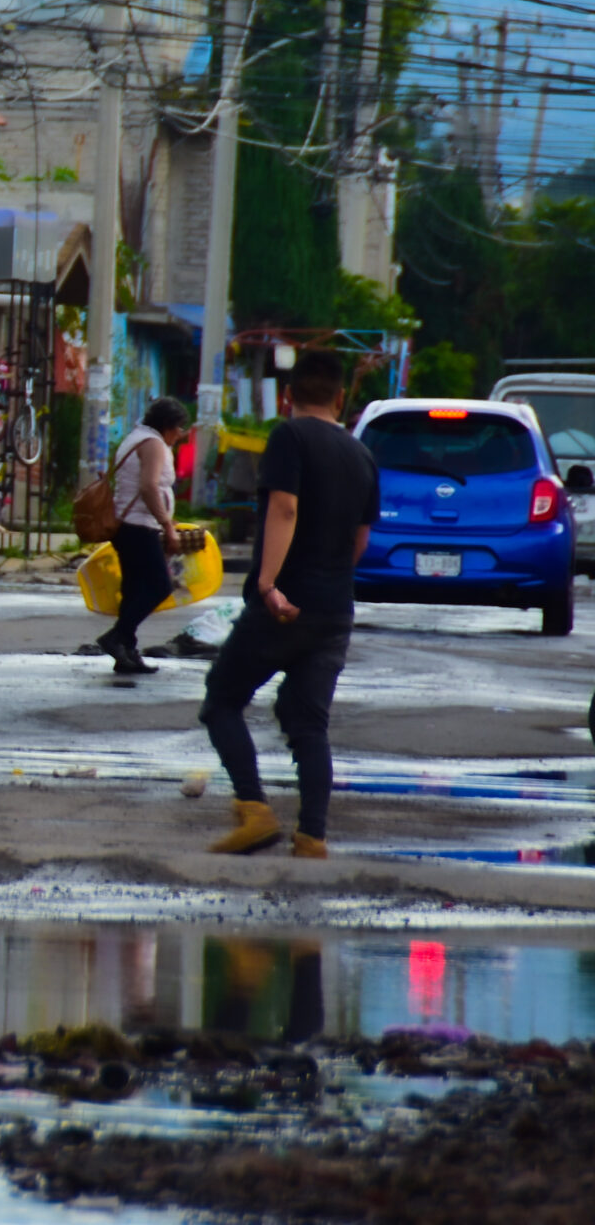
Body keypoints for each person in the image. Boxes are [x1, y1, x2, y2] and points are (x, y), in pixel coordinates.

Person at [197, 351, 377, 859]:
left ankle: (253, 811)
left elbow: (285, 506)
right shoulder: (362, 455)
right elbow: (360, 540)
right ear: (341, 398)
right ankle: (312, 837)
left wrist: (268, 583)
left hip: (286, 602)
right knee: (308, 722)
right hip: (336, 608)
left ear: (287, 396)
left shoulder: (289, 437)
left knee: (222, 700)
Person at [95, 397, 195, 681]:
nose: (180, 435)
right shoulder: (152, 444)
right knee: (159, 585)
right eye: (179, 429)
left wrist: (165, 517)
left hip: (128, 525)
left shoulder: (137, 437)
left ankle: (126, 652)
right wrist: (167, 524)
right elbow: (149, 487)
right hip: (139, 526)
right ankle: (117, 637)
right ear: (168, 426)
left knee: (134, 588)